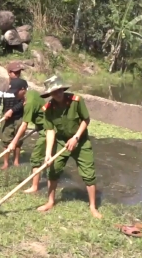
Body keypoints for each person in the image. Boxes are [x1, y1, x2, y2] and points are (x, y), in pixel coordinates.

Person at [40, 75, 101, 218]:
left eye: (60, 90)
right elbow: (50, 130)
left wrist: (76, 137)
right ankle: (50, 201)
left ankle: (93, 207)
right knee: (53, 170)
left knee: (88, 174)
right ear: (50, 94)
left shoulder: (76, 101)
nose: (58, 94)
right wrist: (48, 153)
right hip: (61, 141)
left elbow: (86, 120)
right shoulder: (48, 108)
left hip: (81, 141)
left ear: (63, 89)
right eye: (54, 92)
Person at [6, 78, 46, 194]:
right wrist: (39, 123)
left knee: (36, 158)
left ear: (23, 89)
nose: (14, 94)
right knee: (49, 156)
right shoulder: (32, 93)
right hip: (44, 126)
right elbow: (41, 110)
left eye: (15, 92)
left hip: (47, 130)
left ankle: (34, 187)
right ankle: (51, 178)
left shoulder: (29, 103)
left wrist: (14, 142)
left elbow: (24, 125)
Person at [0, 61, 26, 169]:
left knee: (18, 141)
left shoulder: (23, 84)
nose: (17, 75)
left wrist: (12, 110)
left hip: (20, 117)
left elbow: (24, 102)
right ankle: (6, 163)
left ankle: (16, 161)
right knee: (6, 140)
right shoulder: (3, 86)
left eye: (19, 73)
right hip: (7, 118)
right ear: (9, 73)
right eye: (15, 73)